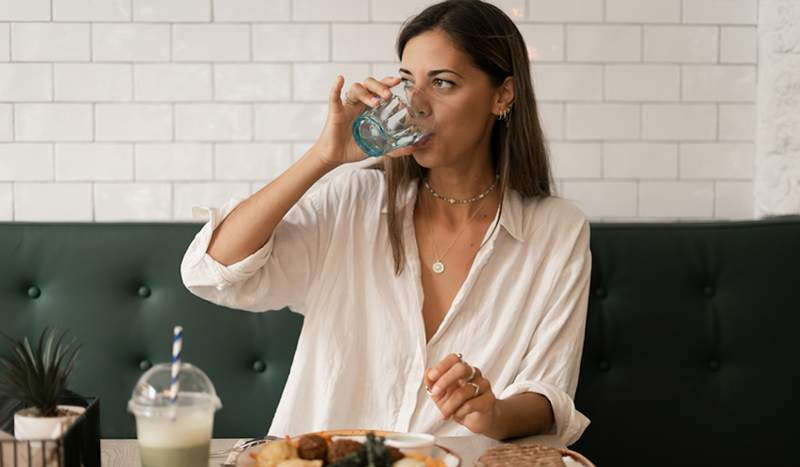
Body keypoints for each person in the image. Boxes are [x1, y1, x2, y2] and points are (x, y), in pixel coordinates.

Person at [181, 0, 591, 445]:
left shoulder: (556, 229)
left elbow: (549, 390)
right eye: (408, 81)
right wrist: (323, 157)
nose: (416, 103)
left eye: (443, 83)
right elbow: (212, 273)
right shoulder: (353, 203)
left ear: (502, 95)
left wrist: (490, 414)